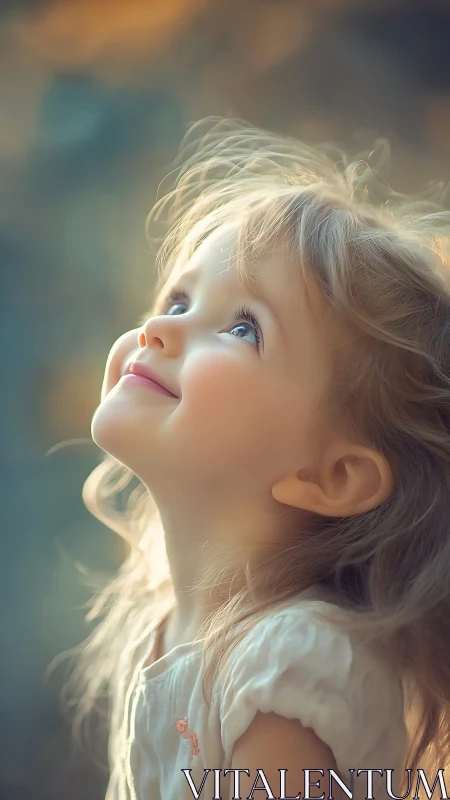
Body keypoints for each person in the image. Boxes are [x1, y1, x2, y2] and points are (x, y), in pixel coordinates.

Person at [63, 118, 450, 799]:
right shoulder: (166, 632)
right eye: (178, 298)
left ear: (331, 476)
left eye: (243, 327)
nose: (159, 327)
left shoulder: (288, 663)